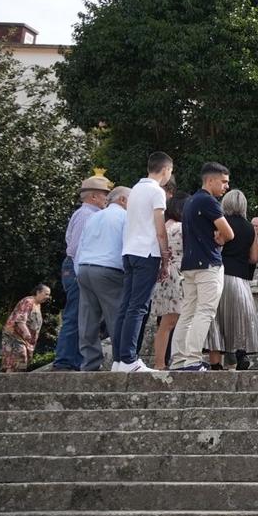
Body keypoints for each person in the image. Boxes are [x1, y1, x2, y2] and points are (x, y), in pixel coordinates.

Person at [113, 151, 172, 374]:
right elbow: (159, 226)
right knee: (139, 306)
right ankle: (129, 359)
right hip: (147, 252)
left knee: (126, 306)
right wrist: (165, 256)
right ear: (166, 169)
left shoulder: (135, 189)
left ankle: (120, 359)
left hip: (129, 251)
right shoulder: (156, 191)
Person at [170, 163, 233, 371]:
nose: (226, 186)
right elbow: (229, 234)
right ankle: (193, 359)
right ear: (211, 180)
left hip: (189, 265)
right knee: (205, 312)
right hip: (208, 264)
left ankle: (179, 360)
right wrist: (221, 239)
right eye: (224, 182)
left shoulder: (189, 202)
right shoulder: (209, 201)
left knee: (187, 312)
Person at [52, 175, 111, 371]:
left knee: (83, 314)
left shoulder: (87, 214)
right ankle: (65, 360)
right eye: (104, 194)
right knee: (75, 314)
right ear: (94, 196)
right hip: (77, 266)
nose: (106, 198)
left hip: (78, 266)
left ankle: (74, 359)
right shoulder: (87, 215)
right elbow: (77, 247)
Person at [74, 185, 129, 372]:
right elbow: (127, 245)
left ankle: (89, 362)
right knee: (115, 316)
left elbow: (80, 245)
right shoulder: (124, 217)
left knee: (88, 318)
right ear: (122, 200)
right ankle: (121, 360)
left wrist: (78, 270)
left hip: (84, 268)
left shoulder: (93, 216)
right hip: (109, 269)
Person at [216, 188, 258, 369]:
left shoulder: (221, 223)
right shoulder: (250, 227)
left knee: (217, 319)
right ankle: (241, 354)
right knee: (240, 318)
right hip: (241, 278)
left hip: (220, 273)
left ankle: (215, 363)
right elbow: (254, 258)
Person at [145, 196, 183, 371]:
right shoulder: (180, 228)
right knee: (172, 322)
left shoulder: (163, 226)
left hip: (163, 275)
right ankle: (163, 362)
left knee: (165, 323)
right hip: (178, 276)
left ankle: (160, 362)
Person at [1, 285, 49, 371]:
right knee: (19, 357)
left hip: (26, 340)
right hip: (14, 335)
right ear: (38, 292)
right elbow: (20, 319)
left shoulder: (38, 305)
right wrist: (26, 332)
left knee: (22, 364)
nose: (47, 297)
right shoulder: (28, 301)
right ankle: (8, 380)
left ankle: (14, 380)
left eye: (48, 295)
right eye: (46, 294)